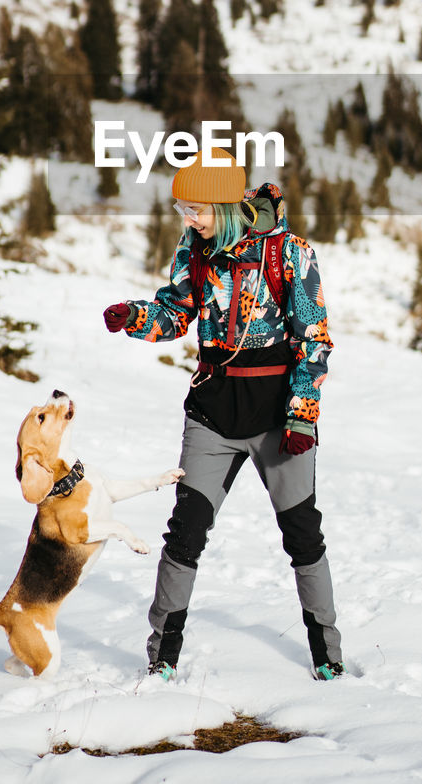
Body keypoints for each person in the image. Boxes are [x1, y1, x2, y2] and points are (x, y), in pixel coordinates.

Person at [103, 146, 343, 682]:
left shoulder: (290, 254)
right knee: (184, 534)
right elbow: (175, 314)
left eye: (198, 210)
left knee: (302, 534)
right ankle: (162, 658)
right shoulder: (193, 251)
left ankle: (328, 656)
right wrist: (136, 316)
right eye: (183, 211)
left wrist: (302, 416)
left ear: (229, 207)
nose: (189, 220)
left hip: (277, 415)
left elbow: (315, 339)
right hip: (212, 411)